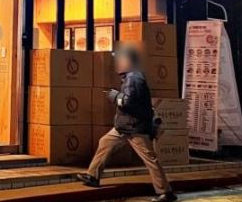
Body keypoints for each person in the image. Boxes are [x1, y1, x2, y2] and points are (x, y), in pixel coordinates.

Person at [76, 44, 177, 202]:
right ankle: (92, 176)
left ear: (129, 61)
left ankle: (166, 192)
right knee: (105, 142)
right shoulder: (131, 77)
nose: (118, 63)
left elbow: (128, 102)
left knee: (150, 158)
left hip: (134, 127)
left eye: (120, 59)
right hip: (125, 126)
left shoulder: (134, 78)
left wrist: (114, 96)